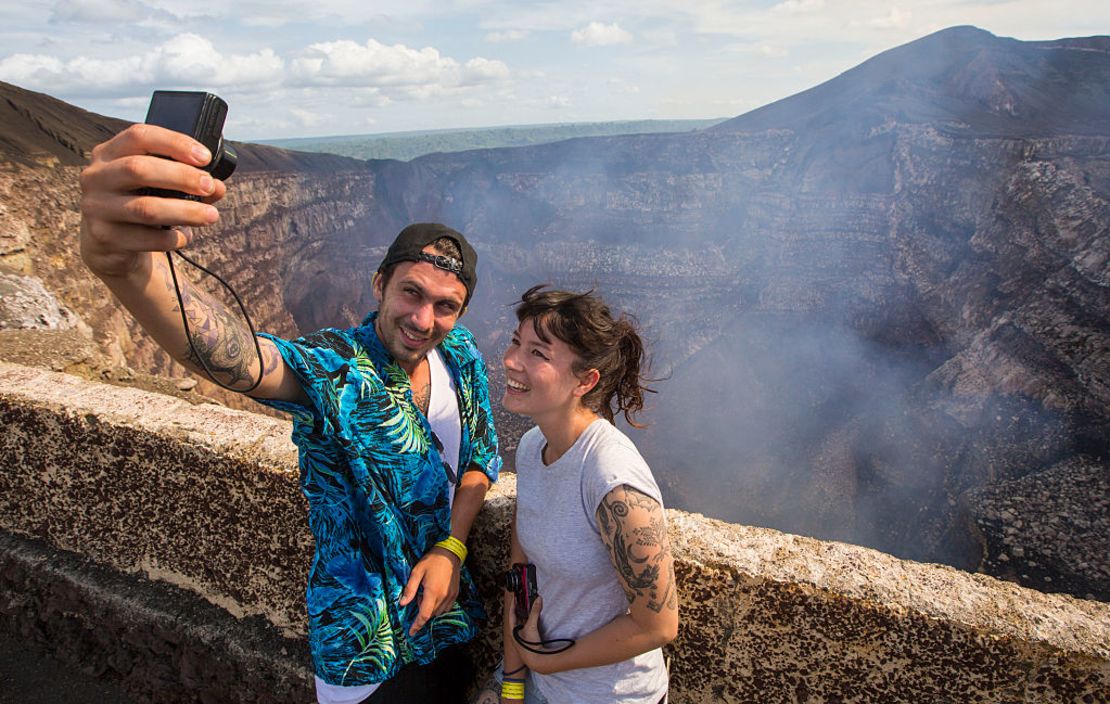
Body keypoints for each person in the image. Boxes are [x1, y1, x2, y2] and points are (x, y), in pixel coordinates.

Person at [78, 123, 501, 703]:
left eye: (445, 306)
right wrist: (125, 267)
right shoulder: (336, 368)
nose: (424, 319)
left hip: (448, 621)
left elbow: (480, 458)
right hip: (367, 649)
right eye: (411, 292)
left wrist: (450, 549)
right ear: (379, 283)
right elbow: (243, 362)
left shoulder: (461, 355)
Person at [476, 286, 679, 704]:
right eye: (517, 342)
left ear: (585, 381)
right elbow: (521, 571)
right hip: (540, 681)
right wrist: (514, 680)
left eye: (538, 353)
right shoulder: (534, 447)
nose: (511, 360)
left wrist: (548, 661)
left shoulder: (611, 479)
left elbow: (658, 625)